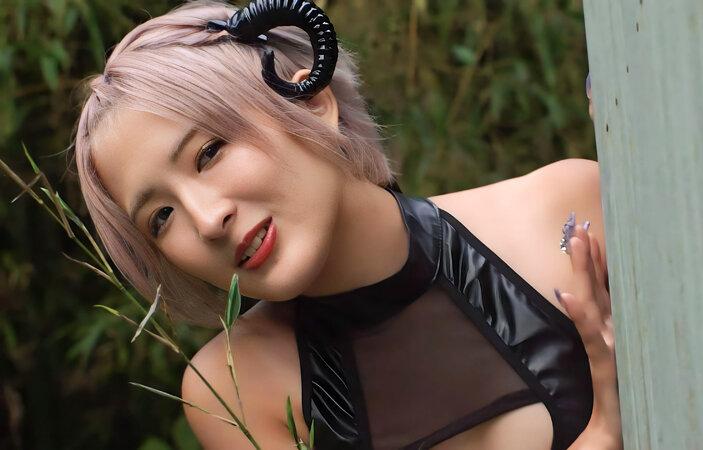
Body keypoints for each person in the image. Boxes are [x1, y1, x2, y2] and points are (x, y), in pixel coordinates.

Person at [71, 0, 620, 448]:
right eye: (161, 216)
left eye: (209, 152)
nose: (208, 220)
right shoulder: (238, 390)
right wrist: (601, 436)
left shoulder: (557, 214)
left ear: (311, 102)